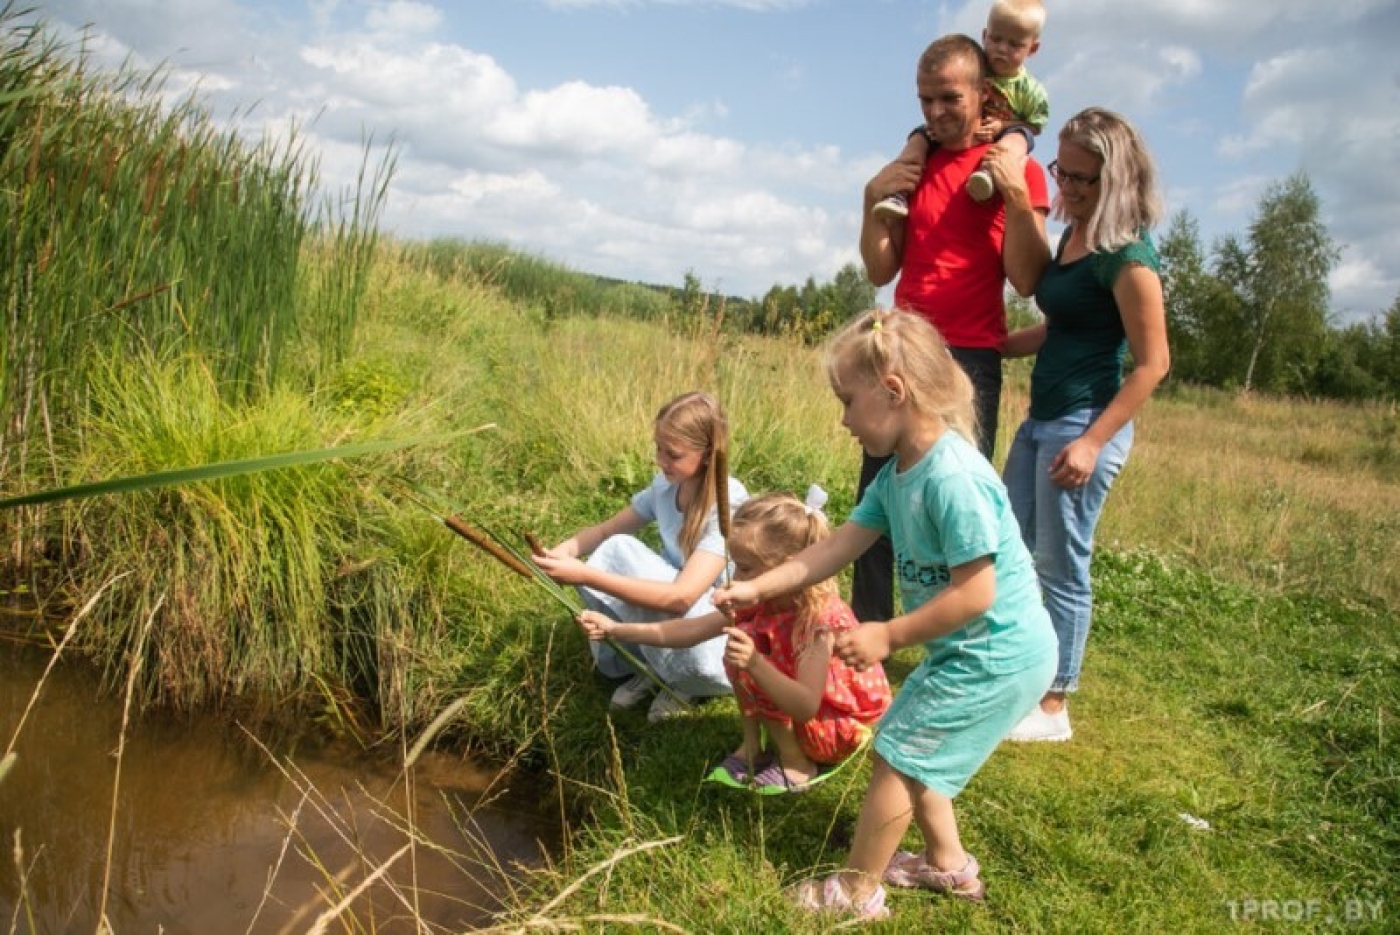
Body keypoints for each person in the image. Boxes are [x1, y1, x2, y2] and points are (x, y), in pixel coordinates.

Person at [714, 309, 1057, 922]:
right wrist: (756, 587)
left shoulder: (952, 478)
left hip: (997, 655)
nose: (843, 418)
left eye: (847, 400)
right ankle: (947, 865)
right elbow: (835, 547)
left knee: (899, 753)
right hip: (969, 651)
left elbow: (977, 594)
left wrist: (888, 634)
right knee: (920, 747)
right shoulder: (896, 475)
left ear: (892, 392)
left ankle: (855, 891)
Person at [855, 32, 1051, 622]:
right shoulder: (916, 164)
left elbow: (1025, 277)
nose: (936, 114)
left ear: (984, 95)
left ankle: (953, 640)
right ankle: (866, 636)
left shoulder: (1018, 170)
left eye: (949, 100)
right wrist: (871, 199)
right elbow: (879, 267)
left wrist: (1016, 199)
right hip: (900, 354)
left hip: (969, 360)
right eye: (924, 102)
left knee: (957, 509)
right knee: (877, 501)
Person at [1000, 107, 1170, 742]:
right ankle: (1017, 669)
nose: (1065, 189)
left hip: (1083, 424)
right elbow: (1064, 327)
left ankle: (1054, 705)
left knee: (1060, 563)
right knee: (1009, 544)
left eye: (1082, 180)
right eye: (1061, 173)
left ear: (1117, 179)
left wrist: (1093, 442)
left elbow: (1153, 363)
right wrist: (997, 346)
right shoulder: (1076, 241)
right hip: (1041, 419)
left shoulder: (1128, 257)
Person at [576, 489, 892, 791]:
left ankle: (796, 764)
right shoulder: (762, 599)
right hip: (801, 708)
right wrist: (615, 629)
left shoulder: (815, 623)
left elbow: (806, 706)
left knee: (751, 658)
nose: (737, 580)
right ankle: (752, 746)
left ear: (788, 568)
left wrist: (756, 663)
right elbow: (691, 630)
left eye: (745, 568)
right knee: (739, 650)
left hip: (835, 726)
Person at [533, 391, 747, 723]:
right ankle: (655, 664)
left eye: (672, 454)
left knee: (619, 554)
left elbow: (681, 598)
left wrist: (585, 574)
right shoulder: (666, 484)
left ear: (707, 454)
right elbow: (606, 531)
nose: (661, 461)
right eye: (658, 448)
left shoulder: (727, 502)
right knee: (617, 546)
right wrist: (562, 552)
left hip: (714, 629)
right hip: (674, 613)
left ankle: (687, 680)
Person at [873, 0, 1048, 215]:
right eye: (996, 39)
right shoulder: (976, 64)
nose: (1002, 49)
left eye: (1014, 44)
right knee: (919, 137)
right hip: (968, 130)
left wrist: (1003, 125)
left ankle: (990, 172)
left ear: (1032, 48)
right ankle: (899, 190)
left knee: (1018, 138)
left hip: (1007, 128)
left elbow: (1036, 124)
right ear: (985, 36)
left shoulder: (1030, 89)